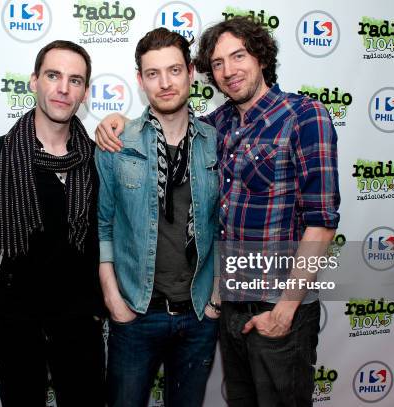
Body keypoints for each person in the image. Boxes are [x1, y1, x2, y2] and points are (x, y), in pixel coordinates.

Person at [95, 17, 340, 407]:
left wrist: (285, 308)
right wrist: (119, 123)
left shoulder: (303, 116)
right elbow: (166, 125)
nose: (229, 71)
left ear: (261, 57)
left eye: (238, 56)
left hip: (276, 304)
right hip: (225, 308)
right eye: (220, 63)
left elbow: (322, 221)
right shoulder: (220, 124)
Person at [0, 40, 105, 407]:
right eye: (53, 76)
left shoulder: (98, 158)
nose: (63, 88)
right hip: (16, 318)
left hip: (80, 319)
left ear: (85, 93)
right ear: (34, 81)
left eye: (75, 80)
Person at [95, 28, 221, 407]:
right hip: (135, 313)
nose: (165, 83)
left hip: (199, 315)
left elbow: (225, 224)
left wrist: (216, 298)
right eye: (153, 74)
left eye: (174, 71)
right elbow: (102, 226)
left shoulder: (217, 141)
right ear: (140, 80)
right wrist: (113, 300)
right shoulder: (117, 143)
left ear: (191, 73)